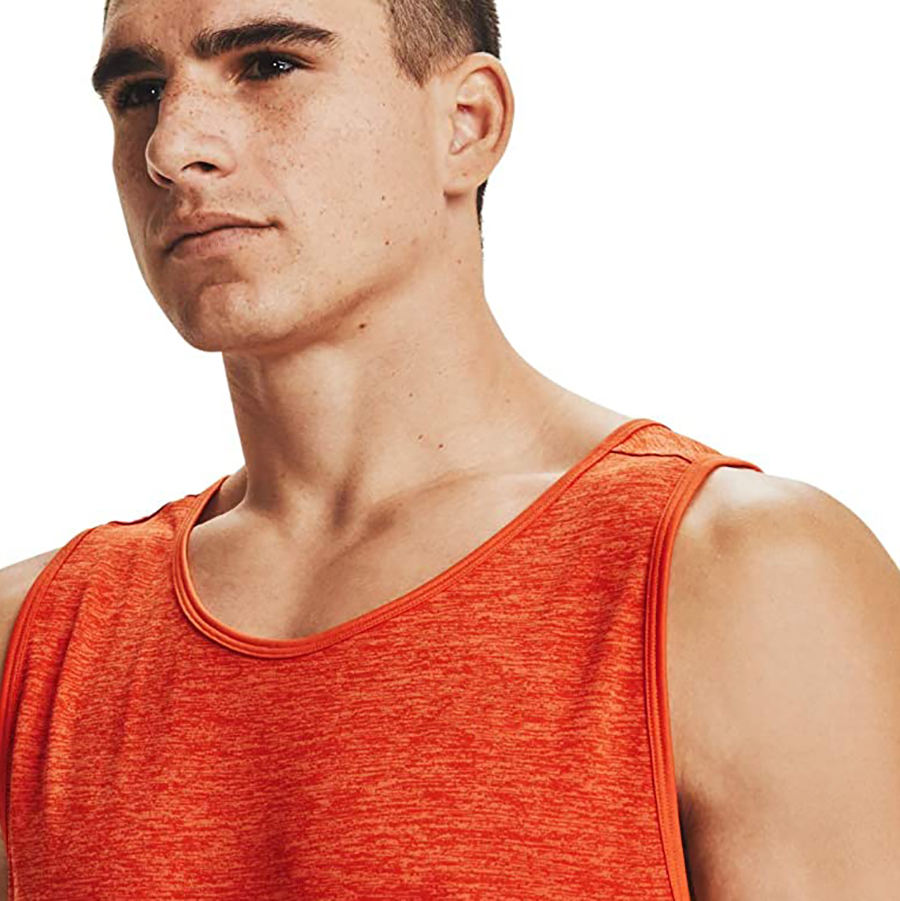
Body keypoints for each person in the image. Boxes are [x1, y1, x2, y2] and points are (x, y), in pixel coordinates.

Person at [1, 0, 898, 898]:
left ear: (468, 124)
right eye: (138, 92)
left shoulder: (742, 581)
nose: (170, 148)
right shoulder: (32, 641)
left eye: (269, 65)